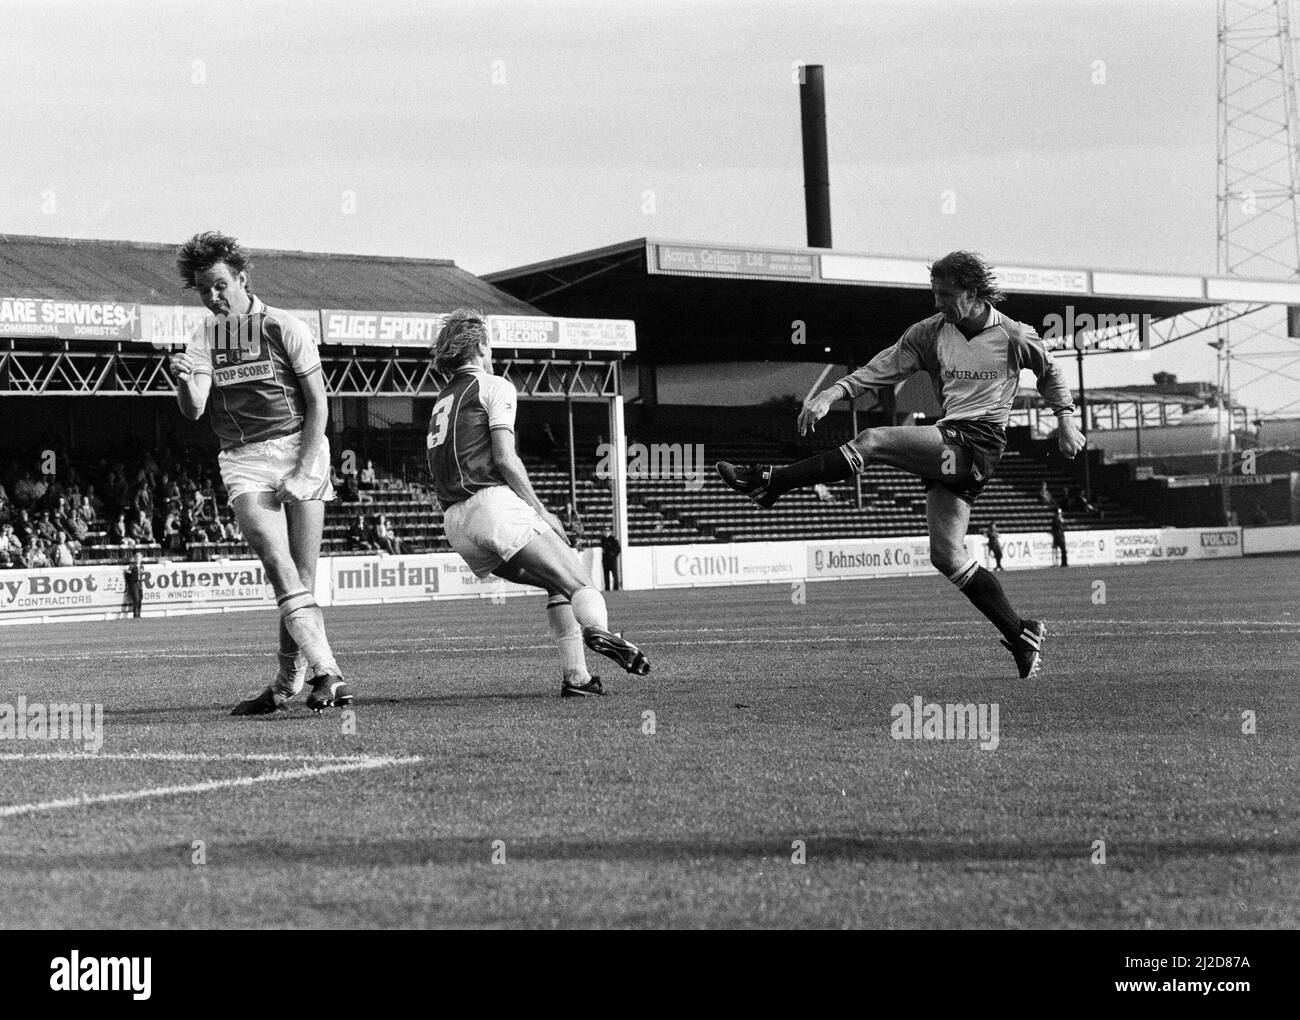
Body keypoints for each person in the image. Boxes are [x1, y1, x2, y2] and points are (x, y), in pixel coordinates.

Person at [717, 251, 1086, 680]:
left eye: (945, 294)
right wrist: (831, 394)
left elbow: (1050, 372)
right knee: (947, 557)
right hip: (949, 439)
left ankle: (770, 482)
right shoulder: (929, 333)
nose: (937, 303)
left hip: (979, 441)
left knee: (873, 441)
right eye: (934, 294)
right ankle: (1022, 634)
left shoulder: (1013, 334)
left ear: (972, 291)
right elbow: (883, 368)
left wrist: (1065, 421)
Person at [170, 230, 349, 716]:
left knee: (302, 575)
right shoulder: (205, 336)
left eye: (220, 285)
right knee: (277, 560)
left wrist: (302, 469)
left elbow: (318, 405)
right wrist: (186, 384)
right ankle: (327, 670)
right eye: (205, 290)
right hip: (244, 459)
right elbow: (194, 410)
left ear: (242, 278)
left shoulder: (283, 325)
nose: (213, 297)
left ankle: (285, 684)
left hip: (300, 448)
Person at [427, 308, 650, 697]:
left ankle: (577, 678)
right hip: (491, 506)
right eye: (489, 344)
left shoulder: (441, 400)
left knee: (555, 585)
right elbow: (505, 458)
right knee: (580, 580)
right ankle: (600, 631)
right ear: (480, 345)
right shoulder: (494, 386)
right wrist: (541, 511)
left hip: (456, 524)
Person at [124, 551, 144, 619]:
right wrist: (129, 582)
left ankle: (139, 613)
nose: (138, 559)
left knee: (140, 598)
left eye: (140, 558)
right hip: (133, 583)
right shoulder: (131, 566)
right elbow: (127, 575)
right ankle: (135, 614)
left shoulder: (142, 566)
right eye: (137, 558)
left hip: (139, 583)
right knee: (136, 599)